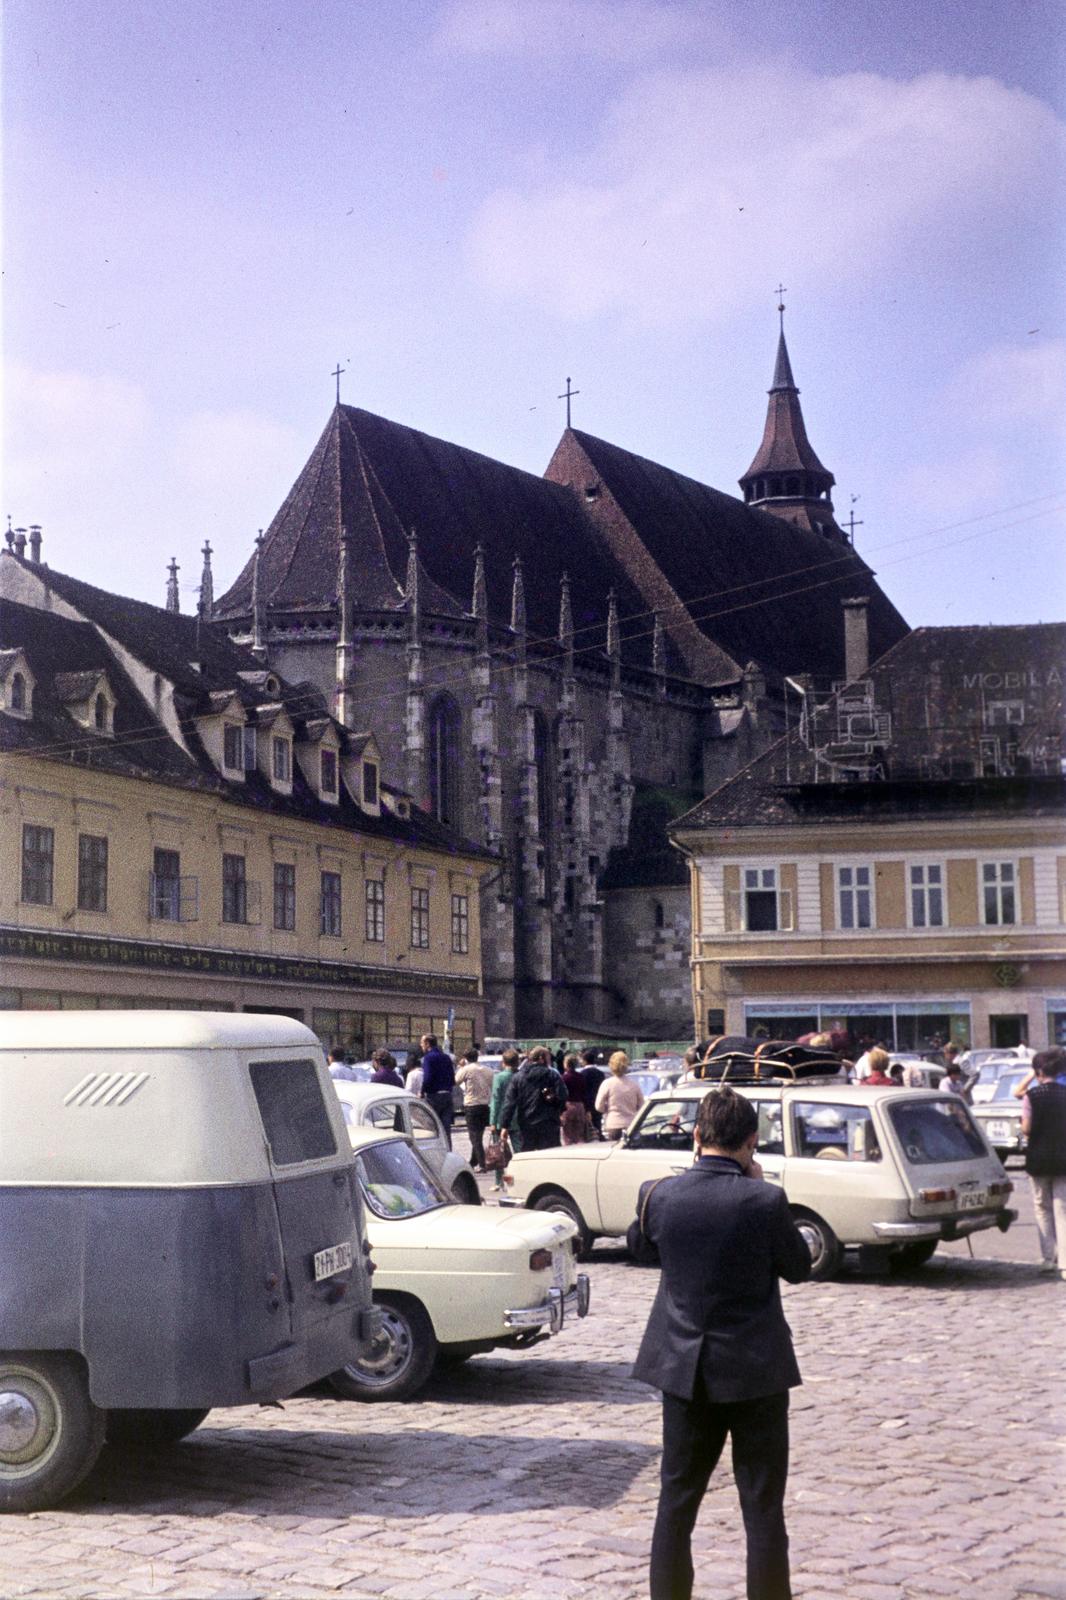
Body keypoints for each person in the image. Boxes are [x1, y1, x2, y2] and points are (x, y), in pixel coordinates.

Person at [633, 1086, 812, 1600]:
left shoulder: (657, 1194)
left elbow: (641, 1247)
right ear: (751, 1141)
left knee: (676, 1503)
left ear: (696, 1136)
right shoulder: (765, 1200)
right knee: (762, 1509)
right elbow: (799, 1267)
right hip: (755, 1370)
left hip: (684, 1368)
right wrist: (757, 1183)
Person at [1020, 1048, 1066, 1278]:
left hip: (1038, 1158)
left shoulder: (1032, 1096)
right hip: (1063, 1158)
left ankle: (1048, 1258)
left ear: (1039, 1072)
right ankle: (1065, 1263)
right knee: (1063, 1209)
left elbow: (1026, 1129)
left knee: (1042, 1208)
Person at [499, 1045, 567, 1151]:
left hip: (526, 1123)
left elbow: (509, 1103)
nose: (550, 1061)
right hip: (548, 1123)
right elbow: (562, 1096)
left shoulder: (518, 1077)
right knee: (550, 1155)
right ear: (541, 1058)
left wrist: (505, 1125)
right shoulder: (552, 1075)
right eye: (548, 1058)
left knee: (527, 1155)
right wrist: (559, 1110)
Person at [456, 1047, 495, 1172]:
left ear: (466, 1058)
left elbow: (456, 1081)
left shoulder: (466, 1069)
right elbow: (492, 1086)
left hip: (471, 1104)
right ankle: (473, 1161)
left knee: (474, 1137)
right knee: (479, 1134)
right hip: (485, 1105)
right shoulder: (488, 1070)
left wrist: (461, 1067)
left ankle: (482, 1164)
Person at [595, 1050, 645, 1141]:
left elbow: (598, 1106)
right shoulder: (634, 1085)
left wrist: (607, 1109)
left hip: (613, 1123)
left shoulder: (607, 1083)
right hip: (631, 1124)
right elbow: (642, 1106)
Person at [488, 1049, 521, 1186]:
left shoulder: (499, 1077)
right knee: (519, 1150)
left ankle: (499, 1181)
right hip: (518, 1118)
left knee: (498, 1151)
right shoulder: (521, 1076)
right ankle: (521, 1176)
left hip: (501, 1118)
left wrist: (492, 1121)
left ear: (503, 1062)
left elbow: (495, 1100)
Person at [420, 1033, 456, 1143]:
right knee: (446, 1129)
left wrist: (422, 1091)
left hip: (433, 1096)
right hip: (447, 1095)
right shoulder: (446, 1057)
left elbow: (427, 1078)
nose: (421, 1046)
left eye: (422, 1043)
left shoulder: (428, 1058)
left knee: (433, 1128)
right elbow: (452, 1078)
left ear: (427, 1044)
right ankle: (448, 1150)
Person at [560, 1053, 591, 1144]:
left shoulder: (564, 1078)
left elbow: (561, 1095)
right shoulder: (581, 1077)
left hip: (568, 1107)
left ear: (566, 1064)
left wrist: (560, 1110)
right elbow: (584, 1094)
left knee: (567, 1136)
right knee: (579, 1135)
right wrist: (587, 1110)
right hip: (580, 1106)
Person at [580, 1047, 607, 1137]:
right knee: (598, 1124)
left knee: (587, 1129)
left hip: (586, 1103)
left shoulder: (582, 1074)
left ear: (585, 1061)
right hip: (598, 1101)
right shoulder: (600, 1074)